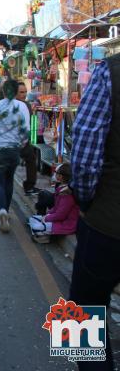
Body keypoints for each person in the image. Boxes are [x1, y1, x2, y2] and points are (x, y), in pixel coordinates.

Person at [69, 54, 120, 371]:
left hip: (109, 222)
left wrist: (86, 202)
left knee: (81, 313)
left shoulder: (109, 73)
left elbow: (85, 156)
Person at [0, 79, 30, 233]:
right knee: (9, 181)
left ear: (3, 91)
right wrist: (21, 145)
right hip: (13, 150)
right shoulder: (22, 106)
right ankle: (7, 211)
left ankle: (2, 210)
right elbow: (26, 131)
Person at [28, 163, 78, 244]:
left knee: (36, 226)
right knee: (32, 219)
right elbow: (55, 207)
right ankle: (44, 234)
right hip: (58, 219)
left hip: (66, 223)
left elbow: (61, 215)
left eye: (56, 173)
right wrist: (47, 215)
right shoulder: (61, 189)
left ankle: (47, 237)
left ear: (60, 176)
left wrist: (47, 218)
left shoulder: (66, 193)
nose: (55, 175)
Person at [17, 82, 40, 195]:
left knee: (31, 159)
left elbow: (31, 122)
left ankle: (29, 186)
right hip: (12, 140)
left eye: (25, 92)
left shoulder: (27, 104)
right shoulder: (12, 105)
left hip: (24, 141)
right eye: (21, 92)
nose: (24, 94)